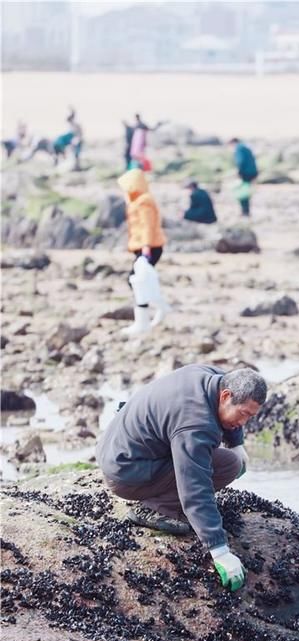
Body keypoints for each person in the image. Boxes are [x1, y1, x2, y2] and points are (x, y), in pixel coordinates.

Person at [96, 365, 267, 591]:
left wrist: (236, 442)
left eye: (251, 416)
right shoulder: (195, 424)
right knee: (228, 465)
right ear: (225, 396)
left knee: (226, 456)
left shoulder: (211, 376)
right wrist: (220, 551)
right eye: (244, 414)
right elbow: (195, 487)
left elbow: (228, 389)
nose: (244, 422)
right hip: (126, 473)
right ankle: (155, 508)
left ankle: (160, 499)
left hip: (116, 448)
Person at [117, 168, 169, 335]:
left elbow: (147, 225)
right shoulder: (137, 201)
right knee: (141, 281)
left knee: (139, 281)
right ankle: (158, 309)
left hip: (149, 247)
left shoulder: (144, 202)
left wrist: (146, 246)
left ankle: (143, 320)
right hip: (145, 247)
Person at [229, 138, 258, 217]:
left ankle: (245, 211)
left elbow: (240, 161)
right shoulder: (246, 147)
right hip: (252, 172)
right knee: (246, 191)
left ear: (233, 143)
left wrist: (239, 172)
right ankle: (246, 211)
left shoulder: (239, 148)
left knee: (242, 192)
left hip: (245, 173)